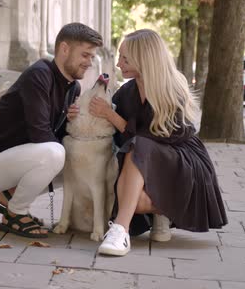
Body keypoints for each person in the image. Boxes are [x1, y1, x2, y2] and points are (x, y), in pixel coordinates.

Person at [89, 29, 228, 256]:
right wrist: (78, 111)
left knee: (139, 144)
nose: (117, 64)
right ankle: (161, 212)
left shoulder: (173, 86)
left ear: (144, 59)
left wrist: (113, 117)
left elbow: (162, 135)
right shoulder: (127, 91)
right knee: (136, 199)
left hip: (181, 161)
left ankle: (120, 232)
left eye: (125, 58)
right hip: (144, 162)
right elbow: (111, 121)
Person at [0, 23, 103, 238]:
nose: (89, 63)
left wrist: (68, 123)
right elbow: (40, 135)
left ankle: (9, 197)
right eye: (85, 55)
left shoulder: (72, 88)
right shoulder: (39, 75)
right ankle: (16, 212)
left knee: (72, 159)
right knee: (56, 153)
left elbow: (50, 138)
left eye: (91, 57)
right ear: (64, 49)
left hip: (16, 160)